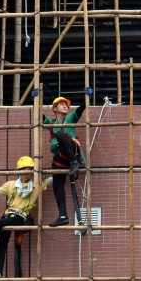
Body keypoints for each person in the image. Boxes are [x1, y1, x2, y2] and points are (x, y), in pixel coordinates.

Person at [0, 156, 49, 280]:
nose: (28, 172)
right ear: (20, 171)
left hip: (20, 216)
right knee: (1, 245)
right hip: (8, 215)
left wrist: (62, 171)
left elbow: (52, 180)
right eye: (25, 169)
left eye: (30, 169)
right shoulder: (11, 185)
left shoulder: (36, 184)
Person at [42, 89, 91, 226]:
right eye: (61, 104)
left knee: (60, 135)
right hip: (60, 158)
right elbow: (38, 117)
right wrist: (35, 100)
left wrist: (87, 97)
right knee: (57, 184)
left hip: (72, 151)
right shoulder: (51, 123)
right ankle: (63, 215)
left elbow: (81, 109)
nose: (65, 106)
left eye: (66, 105)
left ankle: (74, 162)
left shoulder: (69, 119)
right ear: (54, 108)